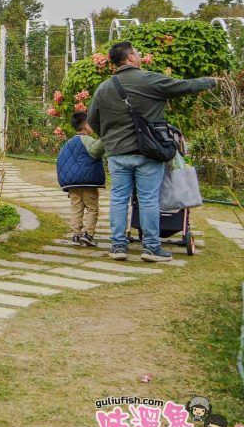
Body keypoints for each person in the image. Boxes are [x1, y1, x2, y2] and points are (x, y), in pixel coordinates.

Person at [87, 41, 218, 262]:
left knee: (119, 198)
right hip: (148, 152)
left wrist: (110, 138)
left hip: (117, 154)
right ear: (130, 57)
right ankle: (151, 248)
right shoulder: (148, 79)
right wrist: (209, 81)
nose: (138, 56)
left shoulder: (104, 88)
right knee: (148, 199)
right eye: (136, 53)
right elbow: (181, 86)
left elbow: (92, 119)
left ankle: (118, 246)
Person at [56, 111, 104, 247]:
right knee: (92, 208)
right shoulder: (88, 140)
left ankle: (76, 235)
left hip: (72, 184)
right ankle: (88, 234)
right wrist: (106, 138)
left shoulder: (68, 143)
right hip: (88, 182)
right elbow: (96, 151)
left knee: (76, 208)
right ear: (87, 126)